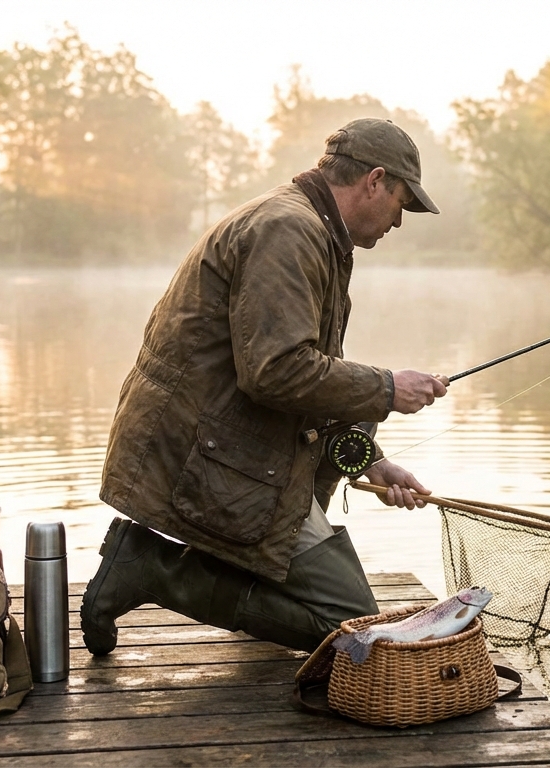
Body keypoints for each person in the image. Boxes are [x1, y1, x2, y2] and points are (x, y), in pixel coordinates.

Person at [81, 117, 449, 656]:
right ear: (374, 180)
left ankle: (259, 567)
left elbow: (314, 381)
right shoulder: (289, 230)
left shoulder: (313, 229)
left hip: (231, 441)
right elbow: (276, 371)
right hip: (202, 454)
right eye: (401, 202)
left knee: (363, 399)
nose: (400, 221)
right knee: (352, 635)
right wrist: (390, 388)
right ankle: (149, 571)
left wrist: (370, 461)